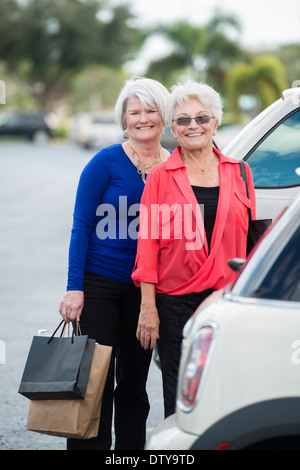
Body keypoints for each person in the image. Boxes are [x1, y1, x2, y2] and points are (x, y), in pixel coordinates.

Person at [132, 80, 256, 418]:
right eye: (183, 120)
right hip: (173, 302)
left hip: (225, 300)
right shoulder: (160, 177)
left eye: (201, 118)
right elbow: (148, 246)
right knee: (177, 390)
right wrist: (148, 308)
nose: (193, 126)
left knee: (226, 382)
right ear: (173, 128)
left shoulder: (241, 173)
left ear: (215, 122)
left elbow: (249, 245)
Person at [59, 76, 170, 450]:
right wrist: (75, 287)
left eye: (151, 110)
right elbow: (81, 226)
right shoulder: (104, 163)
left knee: (135, 385)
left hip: (147, 291)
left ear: (163, 115)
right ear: (124, 118)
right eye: (134, 111)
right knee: (95, 385)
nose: (143, 118)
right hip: (100, 284)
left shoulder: (174, 169)